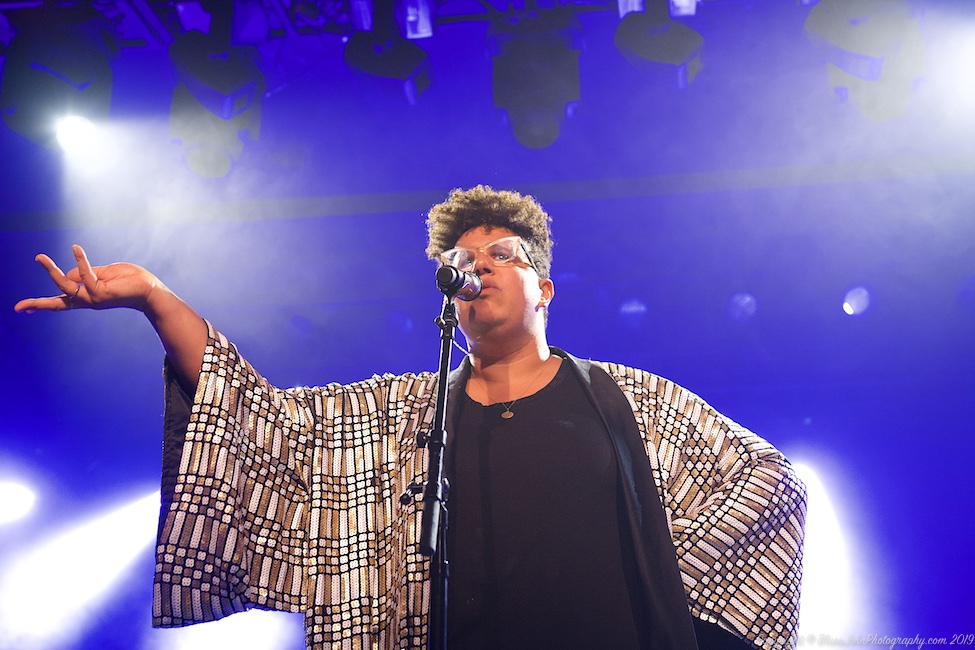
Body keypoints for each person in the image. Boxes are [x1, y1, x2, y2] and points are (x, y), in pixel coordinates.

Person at [15, 186, 806, 650]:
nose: (478, 267)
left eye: (502, 255)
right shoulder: (402, 412)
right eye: (462, 262)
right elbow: (261, 423)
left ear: (545, 290)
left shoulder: (632, 399)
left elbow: (769, 481)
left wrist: (673, 594)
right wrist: (157, 301)